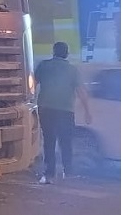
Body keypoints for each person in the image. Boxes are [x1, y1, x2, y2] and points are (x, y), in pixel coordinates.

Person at [35, 42, 92, 184]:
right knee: (66, 141)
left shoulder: (43, 66)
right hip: (66, 110)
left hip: (45, 108)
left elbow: (32, 83)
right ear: (67, 54)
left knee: (49, 141)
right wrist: (87, 111)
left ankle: (49, 175)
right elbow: (81, 92)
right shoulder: (72, 70)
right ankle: (68, 172)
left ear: (53, 52)